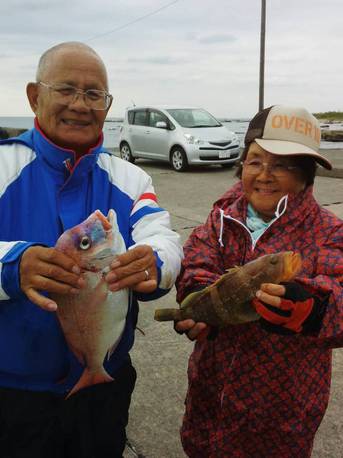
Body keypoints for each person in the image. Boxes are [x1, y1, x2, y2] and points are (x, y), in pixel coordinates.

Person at [0, 41, 183, 458]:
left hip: (105, 388)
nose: (80, 104)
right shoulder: (3, 166)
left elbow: (163, 237)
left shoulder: (131, 178)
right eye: (65, 89)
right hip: (12, 392)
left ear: (107, 103)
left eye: (94, 94)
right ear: (34, 95)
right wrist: (13, 266)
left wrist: (156, 264)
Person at [175, 105, 343, 457]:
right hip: (211, 393)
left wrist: (313, 309)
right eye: (255, 161)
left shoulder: (330, 232)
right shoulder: (221, 216)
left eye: (281, 164)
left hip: (281, 413)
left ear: (305, 174)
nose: (264, 174)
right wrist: (197, 296)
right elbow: (196, 260)